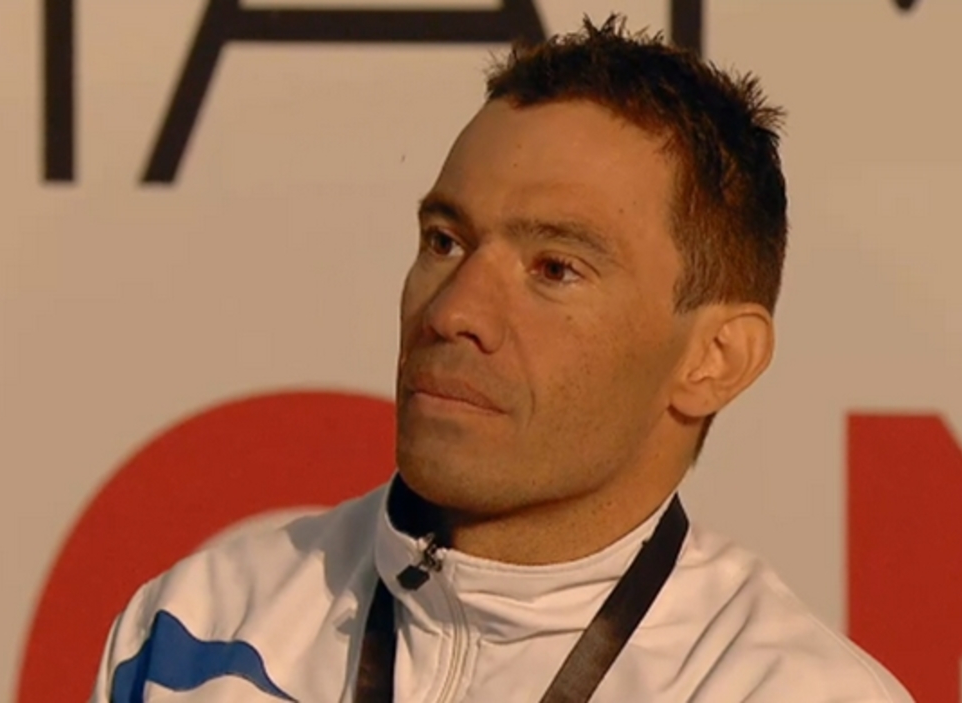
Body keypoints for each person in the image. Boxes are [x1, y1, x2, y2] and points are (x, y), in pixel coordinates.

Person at [90, 15, 914, 703]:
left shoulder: (785, 689)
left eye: (554, 268)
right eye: (445, 241)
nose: (454, 312)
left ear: (715, 359)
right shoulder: (197, 629)